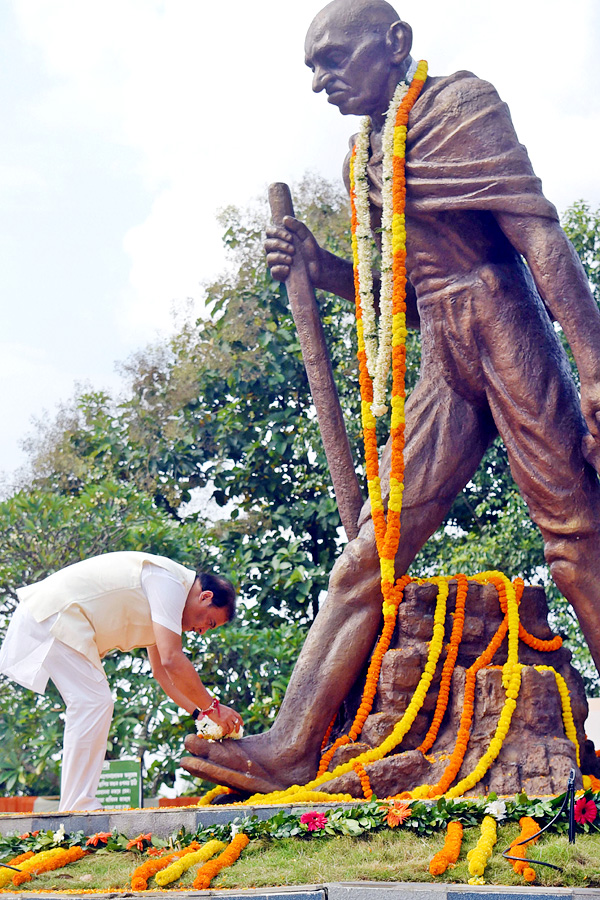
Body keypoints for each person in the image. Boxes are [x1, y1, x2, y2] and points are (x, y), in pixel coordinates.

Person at [181, 0, 600, 795]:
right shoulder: (362, 156)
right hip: (444, 346)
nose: (321, 82)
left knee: (576, 539)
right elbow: (400, 288)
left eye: (334, 60)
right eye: (312, 68)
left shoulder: (461, 105)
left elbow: (539, 236)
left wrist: (596, 366)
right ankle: (294, 744)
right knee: (366, 556)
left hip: (505, 322)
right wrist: (321, 265)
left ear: (395, 44)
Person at [0, 551, 241, 811]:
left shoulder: (168, 606)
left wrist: (198, 713)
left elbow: (162, 673)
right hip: (55, 613)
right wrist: (213, 708)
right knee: (93, 702)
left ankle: (76, 804)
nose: (202, 631)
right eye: (209, 622)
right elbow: (173, 659)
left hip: (54, 616)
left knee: (91, 702)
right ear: (205, 597)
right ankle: (77, 806)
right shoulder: (170, 581)